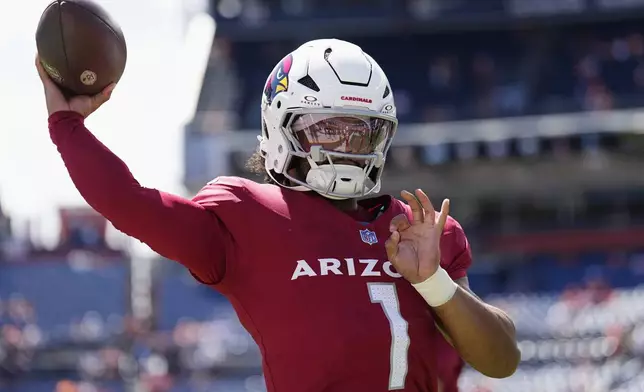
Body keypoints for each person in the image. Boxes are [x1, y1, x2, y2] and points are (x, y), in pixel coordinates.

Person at [37, 39, 520, 392]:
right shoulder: (249, 219)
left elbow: (501, 360)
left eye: (361, 133)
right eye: (328, 130)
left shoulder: (422, 230)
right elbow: (130, 203)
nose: (347, 147)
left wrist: (433, 280)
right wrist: (67, 125)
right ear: (280, 128)